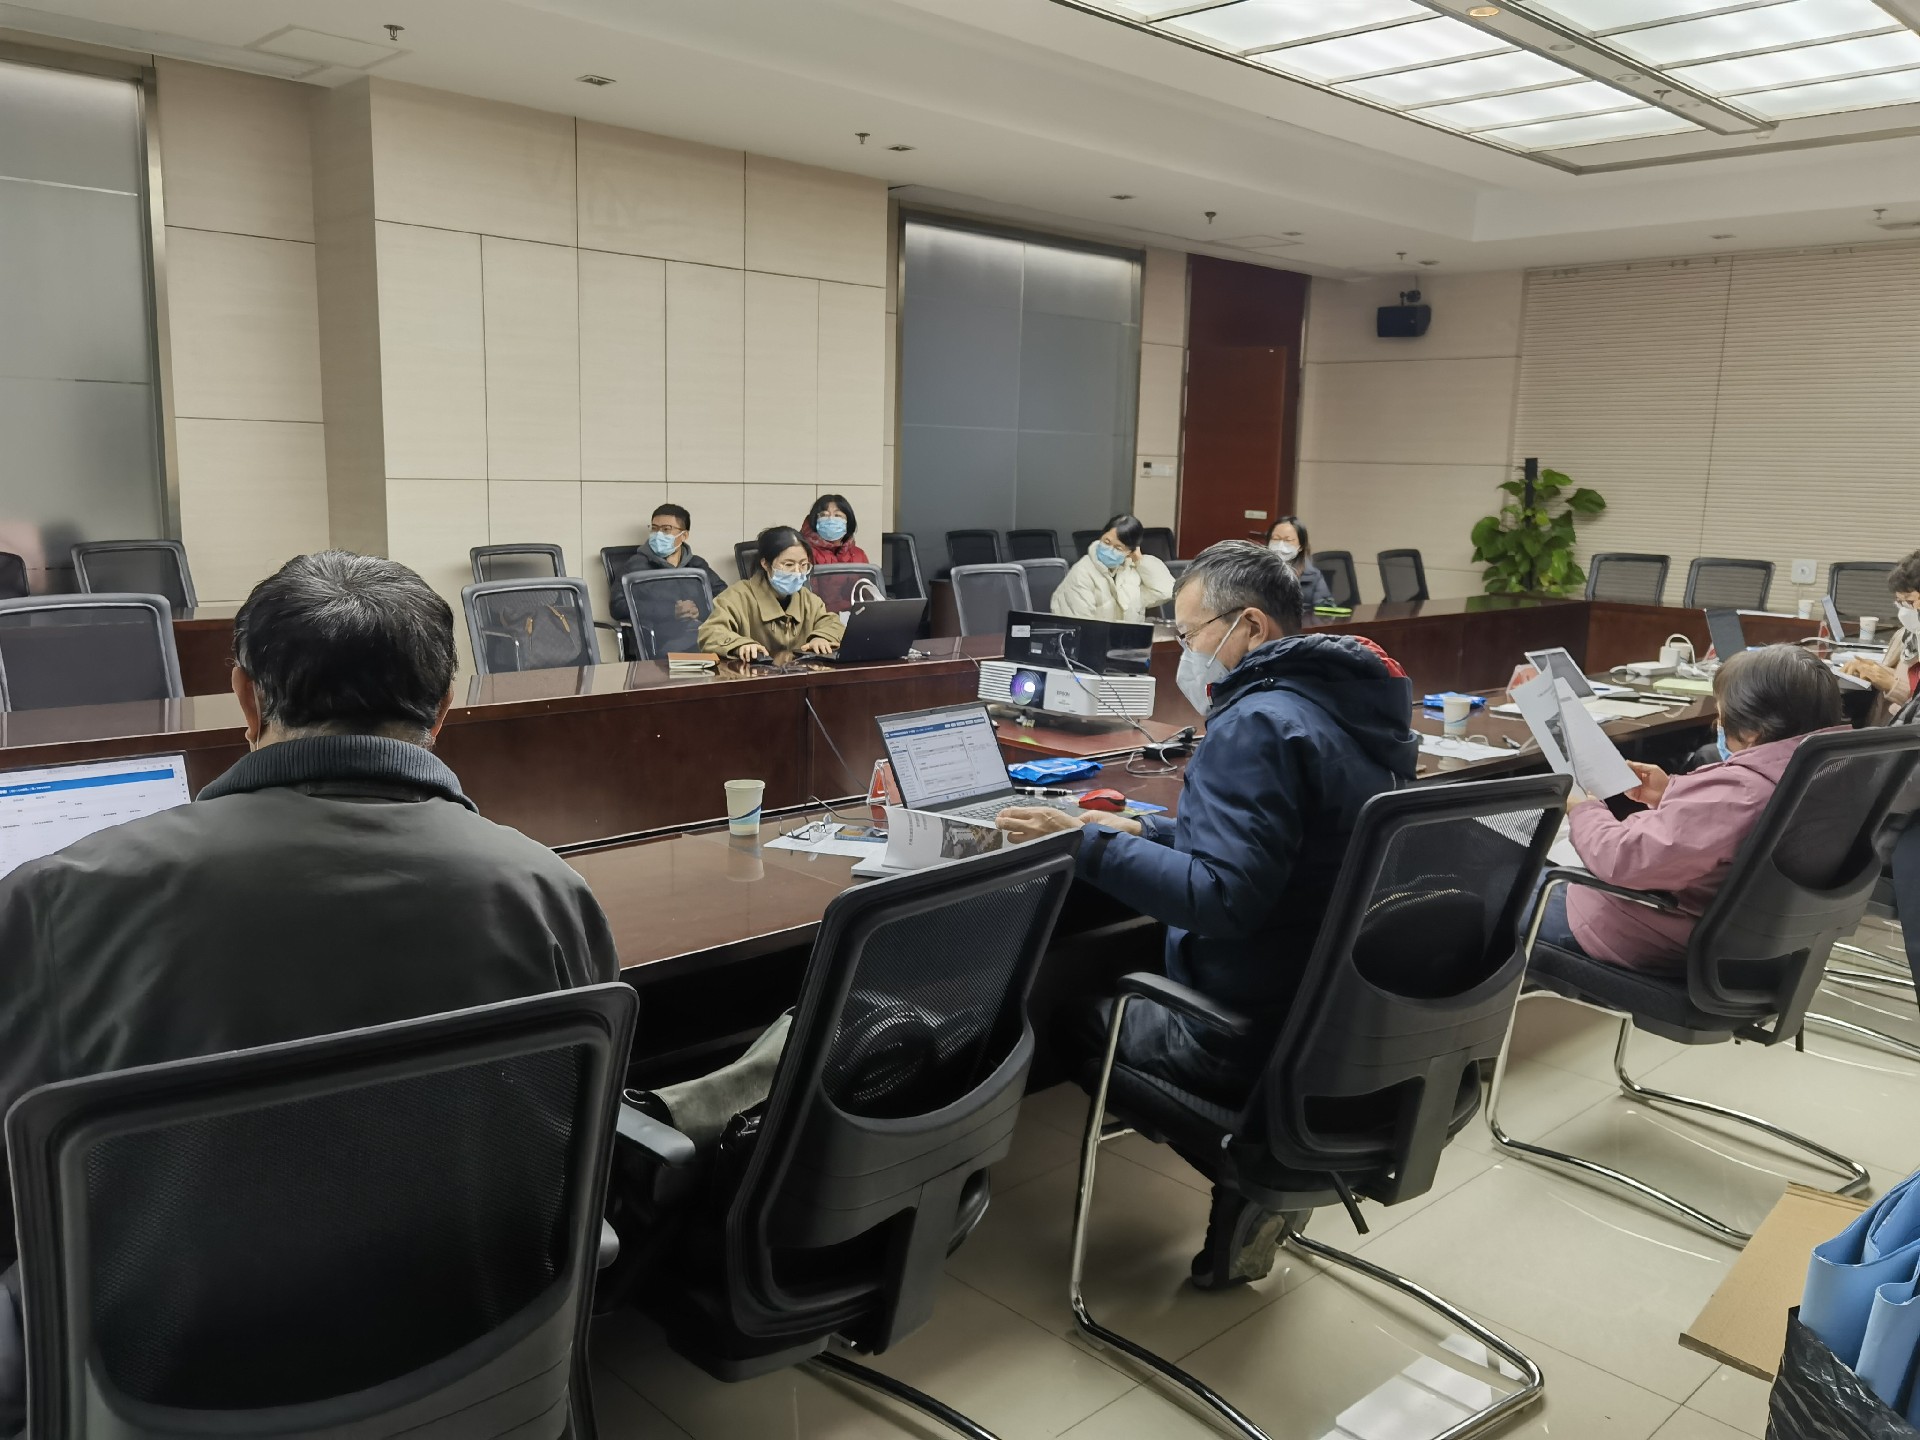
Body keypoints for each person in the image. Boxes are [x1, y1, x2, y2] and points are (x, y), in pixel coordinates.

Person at [0, 551, 619, 1432]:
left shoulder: (58, 897)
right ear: (445, 708)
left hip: (169, 1392)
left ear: (246, 699)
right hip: (475, 1360)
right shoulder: (547, 890)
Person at [999, 540, 1416, 1288]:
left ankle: (1250, 1175)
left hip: (1251, 1029)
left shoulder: (1256, 721)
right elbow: (1277, 847)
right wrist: (1142, 827)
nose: (1185, 655)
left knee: (1071, 1016)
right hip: (1339, 1014)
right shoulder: (1349, 705)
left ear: (1249, 626)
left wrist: (1083, 842)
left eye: (1190, 635)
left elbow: (1222, 898)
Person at [1535, 645, 1844, 973]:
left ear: (1754, 731)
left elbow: (1620, 860)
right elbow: (1728, 831)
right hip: (1760, 945)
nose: (1718, 724)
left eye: (1722, 715)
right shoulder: (1831, 769)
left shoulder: (1740, 792)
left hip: (1640, 933)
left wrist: (1583, 809)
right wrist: (1672, 792)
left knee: (1505, 881)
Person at [698, 525, 846, 661]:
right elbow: (710, 633)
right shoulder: (736, 597)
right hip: (752, 677)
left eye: (803, 564)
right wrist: (739, 645)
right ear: (765, 563)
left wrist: (822, 638)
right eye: (788, 564)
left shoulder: (808, 600)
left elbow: (833, 624)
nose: (797, 572)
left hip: (800, 677)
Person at [609, 502, 724, 627]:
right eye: (654, 528)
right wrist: (670, 611)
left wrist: (698, 610)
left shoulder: (696, 565)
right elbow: (617, 606)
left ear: (684, 535)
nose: (658, 534)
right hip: (658, 634)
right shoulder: (636, 566)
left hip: (701, 630)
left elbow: (724, 595)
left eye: (666, 529)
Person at [1841, 549, 1920, 723]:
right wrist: (1873, 669)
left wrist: (1891, 685)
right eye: (1899, 602)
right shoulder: (1909, 634)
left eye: (1909, 601)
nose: (1904, 610)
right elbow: (1909, 677)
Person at [1052, 513, 1176, 623]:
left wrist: (1139, 560)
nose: (1109, 549)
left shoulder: (1132, 569)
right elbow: (1080, 624)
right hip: (1096, 640)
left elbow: (1166, 592)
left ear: (1130, 551)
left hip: (1128, 640)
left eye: (1118, 548)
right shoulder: (1082, 572)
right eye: (1107, 542)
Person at [1266, 515, 1334, 609]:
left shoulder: (1313, 575)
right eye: (1275, 539)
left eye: (1288, 540)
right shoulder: (1256, 571)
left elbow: (1326, 608)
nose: (1280, 545)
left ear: (1301, 546)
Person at [800, 494, 869, 568]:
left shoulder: (859, 555)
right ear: (815, 521)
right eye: (824, 515)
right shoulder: (803, 552)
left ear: (848, 522)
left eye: (837, 515)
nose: (831, 519)